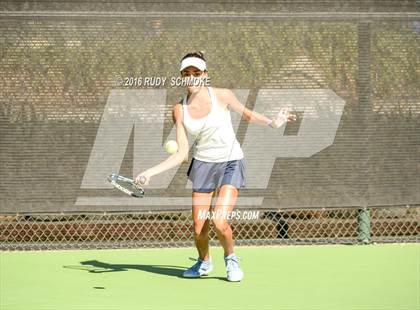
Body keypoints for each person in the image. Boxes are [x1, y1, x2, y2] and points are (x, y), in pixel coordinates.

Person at [135, 51, 296, 282]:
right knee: (199, 227)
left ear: (205, 75)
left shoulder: (222, 95)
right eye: (187, 73)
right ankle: (204, 261)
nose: (192, 78)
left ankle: (231, 259)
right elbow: (182, 153)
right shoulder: (179, 110)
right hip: (203, 165)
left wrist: (273, 122)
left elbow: (248, 115)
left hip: (231, 162)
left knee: (220, 221)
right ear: (182, 76)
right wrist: (150, 172)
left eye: (196, 73)